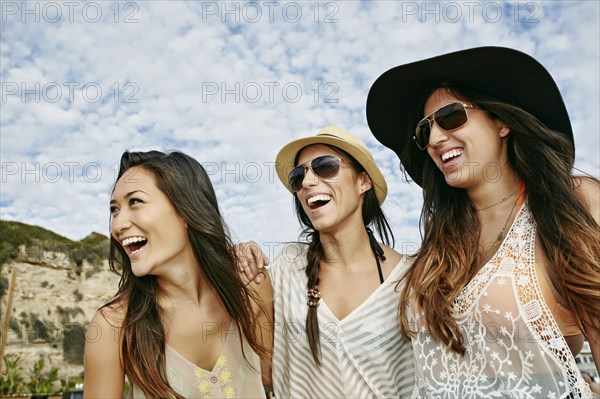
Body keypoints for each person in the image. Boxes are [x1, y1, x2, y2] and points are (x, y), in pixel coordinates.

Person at [366, 46, 600, 397]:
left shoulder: (571, 201)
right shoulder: (437, 247)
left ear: (501, 121)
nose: (433, 139)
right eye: (423, 130)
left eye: (450, 116)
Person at [83, 150, 273, 398]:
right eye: (114, 210)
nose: (117, 226)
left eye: (135, 202)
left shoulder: (251, 286)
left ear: (186, 210)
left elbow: (273, 377)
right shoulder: (113, 326)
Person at [265, 125, 415, 398]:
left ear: (363, 181)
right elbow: (255, 359)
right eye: (298, 176)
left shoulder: (410, 277)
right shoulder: (287, 268)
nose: (308, 182)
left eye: (325, 166)